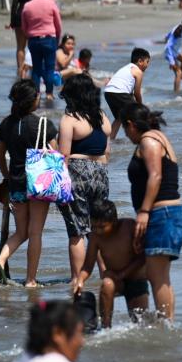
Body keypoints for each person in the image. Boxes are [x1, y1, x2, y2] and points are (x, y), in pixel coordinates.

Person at [0, 80, 57, 286]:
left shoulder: (6, 124)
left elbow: (0, 155)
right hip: (39, 184)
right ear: (32, 100)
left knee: (21, 232)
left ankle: (0, 260)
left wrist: (7, 176)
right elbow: (56, 155)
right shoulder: (43, 124)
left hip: (16, 184)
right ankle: (30, 280)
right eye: (37, 95)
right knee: (35, 232)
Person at [121, 104, 182, 321]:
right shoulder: (158, 137)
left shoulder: (149, 141)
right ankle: (168, 324)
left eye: (125, 129)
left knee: (157, 277)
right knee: (162, 277)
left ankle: (165, 326)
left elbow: (155, 176)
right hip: (167, 214)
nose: (126, 135)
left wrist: (144, 212)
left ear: (130, 125)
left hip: (161, 214)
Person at [58, 74, 112, 283]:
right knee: (97, 229)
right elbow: (107, 151)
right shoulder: (102, 117)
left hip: (77, 172)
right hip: (101, 172)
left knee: (77, 230)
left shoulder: (70, 119)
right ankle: (105, 274)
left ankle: (77, 280)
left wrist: (61, 187)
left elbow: (63, 156)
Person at [70, 200, 149, 329]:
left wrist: (123, 273)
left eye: (102, 227)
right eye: (94, 226)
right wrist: (80, 280)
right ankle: (106, 327)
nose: (98, 231)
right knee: (107, 284)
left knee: (140, 323)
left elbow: (143, 257)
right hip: (114, 280)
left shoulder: (129, 227)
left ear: (115, 222)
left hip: (136, 279)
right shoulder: (96, 237)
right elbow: (88, 266)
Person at [22, 0, 63, 103]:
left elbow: (24, 26)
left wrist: (28, 36)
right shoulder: (51, 3)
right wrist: (58, 38)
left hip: (34, 39)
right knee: (50, 68)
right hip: (49, 38)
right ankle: (49, 94)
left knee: (36, 69)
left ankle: (36, 94)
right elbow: (58, 24)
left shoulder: (27, 5)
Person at [104, 47, 150, 139]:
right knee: (138, 115)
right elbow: (137, 93)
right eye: (147, 62)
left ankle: (110, 140)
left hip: (108, 92)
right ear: (140, 61)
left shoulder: (126, 67)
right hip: (120, 92)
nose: (147, 65)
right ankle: (144, 137)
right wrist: (140, 106)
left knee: (119, 118)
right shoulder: (138, 72)